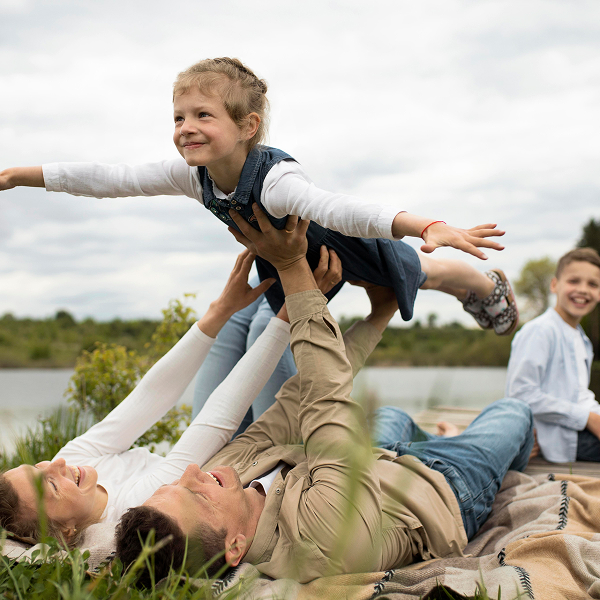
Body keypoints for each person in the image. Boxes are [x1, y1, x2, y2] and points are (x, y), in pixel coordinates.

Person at [115, 205, 534, 585]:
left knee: (388, 414)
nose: (190, 473)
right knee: (513, 413)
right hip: (442, 484)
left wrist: (380, 313)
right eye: (196, 495)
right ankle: (462, 443)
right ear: (236, 546)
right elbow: (325, 399)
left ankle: (436, 427)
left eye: (173, 485)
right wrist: (293, 266)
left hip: (373, 456)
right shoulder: (319, 539)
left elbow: (297, 402)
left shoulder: (228, 476)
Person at [0, 57, 518, 349]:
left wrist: (425, 223)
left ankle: (478, 282)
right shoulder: (193, 176)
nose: (186, 129)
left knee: (408, 274)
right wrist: (19, 176)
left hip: (348, 247)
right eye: (179, 117)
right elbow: (111, 178)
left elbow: (339, 209)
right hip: (286, 264)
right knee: (270, 332)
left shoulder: (276, 181)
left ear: (247, 126)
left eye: (203, 115)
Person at [0, 247, 341, 548]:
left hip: (212, 445)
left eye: (38, 466)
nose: (56, 464)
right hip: (237, 462)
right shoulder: (136, 506)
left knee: (236, 317)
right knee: (268, 318)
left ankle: (286, 248)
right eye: (51, 485)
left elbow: (151, 396)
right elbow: (215, 422)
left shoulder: (72, 460)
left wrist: (220, 307)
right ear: (68, 532)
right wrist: (293, 307)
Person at [506, 247, 600, 464]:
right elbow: (521, 394)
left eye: (593, 284)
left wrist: (594, 416)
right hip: (560, 437)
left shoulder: (582, 339)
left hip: (585, 425)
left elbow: (579, 395)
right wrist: (587, 419)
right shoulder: (540, 331)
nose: (583, 290)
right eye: (574, 281)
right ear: (555, 285)